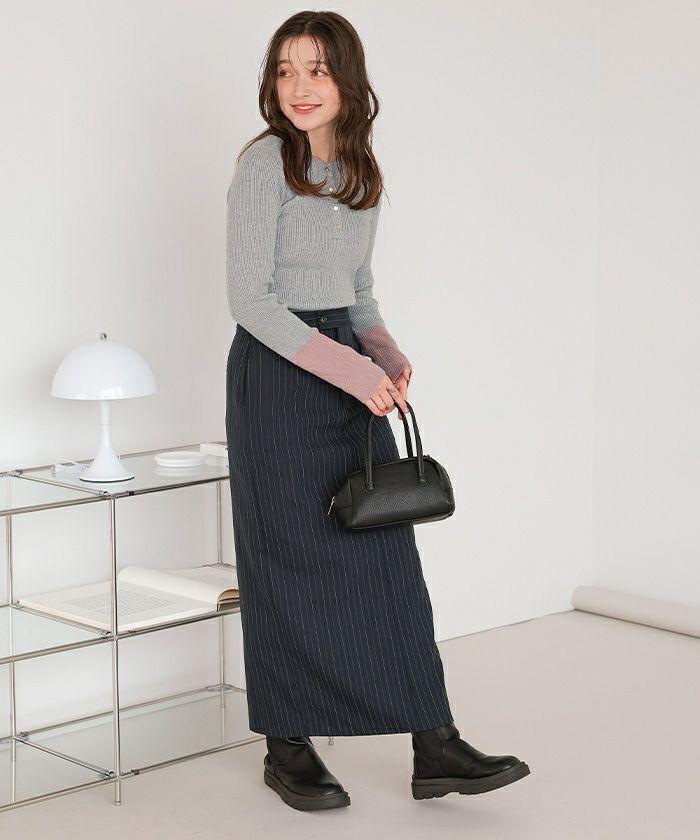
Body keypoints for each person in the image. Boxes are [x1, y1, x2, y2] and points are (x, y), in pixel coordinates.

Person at [225, 10, 530, 812]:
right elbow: (251, 302)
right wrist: (350, 368)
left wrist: (385, 354)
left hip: (348, 368)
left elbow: (357, 290)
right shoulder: (265, 165)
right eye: (285, 70)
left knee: (386, 559)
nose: (299, 86)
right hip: (279, 374)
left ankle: (436, 743)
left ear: (347, 79)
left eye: (317, 69)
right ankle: (287, 746)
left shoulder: (360, 170)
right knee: (288, 560)